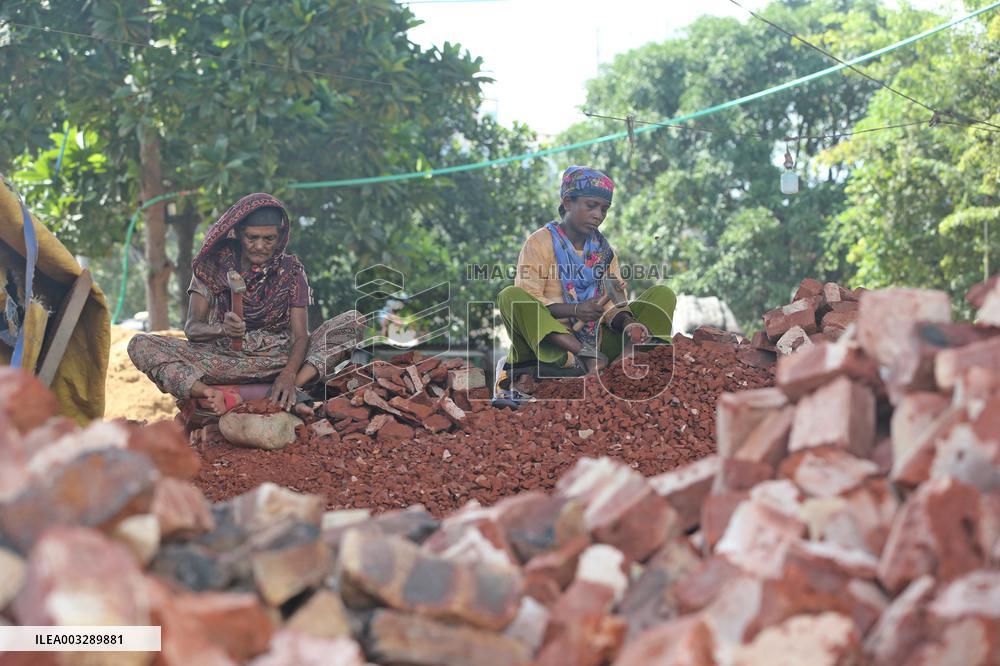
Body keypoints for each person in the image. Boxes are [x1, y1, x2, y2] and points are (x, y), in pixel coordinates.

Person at [128, 192, 365, 417]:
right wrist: (223, 330)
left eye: (268, 238)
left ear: (280, 236)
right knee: (140, 344)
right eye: (252, 238)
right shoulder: (212, 268)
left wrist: (289, 374)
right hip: (225, 358)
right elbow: (192, 329)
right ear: (239, 234)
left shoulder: (292, 271)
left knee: (353, 320)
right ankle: (208, 393)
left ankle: (287, 389)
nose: (260, 246)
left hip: (278, 357)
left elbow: (300, 336)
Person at [495, 166, 676, 399]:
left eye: (604, 209)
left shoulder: (604, 251)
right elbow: (530, 297)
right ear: (568, 202)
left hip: (601, 342)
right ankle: (586, 356)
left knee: (662, 295)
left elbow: (613, 305)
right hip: (554, 350)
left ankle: (623, 364)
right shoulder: (540, 242)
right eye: (591, 206)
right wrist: (576, 310)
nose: (598, 215)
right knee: (511, 296)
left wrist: (629, 324)